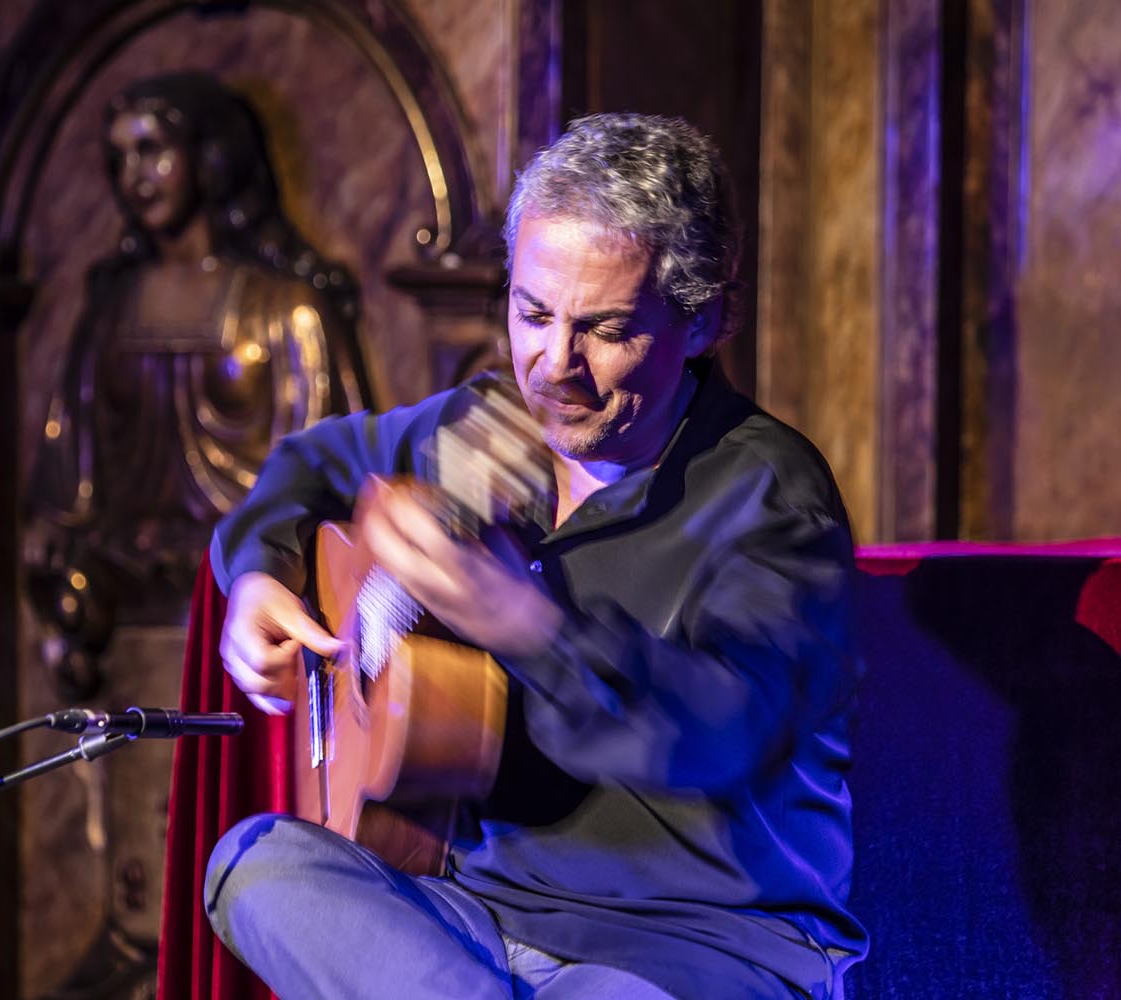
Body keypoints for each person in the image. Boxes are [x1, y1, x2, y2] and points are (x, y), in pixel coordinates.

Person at [201, 113, 867, 999]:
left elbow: (720, 733)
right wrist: (258, 574)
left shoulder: (772, 496)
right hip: (476, 923)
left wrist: (526, 625)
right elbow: (306, 468)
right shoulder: (483, 429)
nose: (554, 365)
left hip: (697, 948)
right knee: (252, 863)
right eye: (533, 313)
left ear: (705, 319)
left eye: (607, 329)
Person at [25, 72, 369, 695]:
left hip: (263, 568)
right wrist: (56, 524)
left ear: (209, 156)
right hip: (132, 571)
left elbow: (332, 466)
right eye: (119, 158)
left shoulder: (287, 310)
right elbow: (71, 466)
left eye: (152, 150)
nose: (135, 175)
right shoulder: (109, 311)